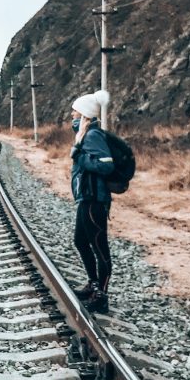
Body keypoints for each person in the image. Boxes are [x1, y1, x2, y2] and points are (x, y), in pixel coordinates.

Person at [69, 89, 114, 314]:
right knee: (80, 241)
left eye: (75, 111)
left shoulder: (93, 135)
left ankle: (101, 296)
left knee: (99, 247)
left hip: (95, 199)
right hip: (86, 197)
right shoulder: (84, 134)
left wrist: (80, 157)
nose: (71, 115)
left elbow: (107, 165)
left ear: (84, 114)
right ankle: (93, 284)